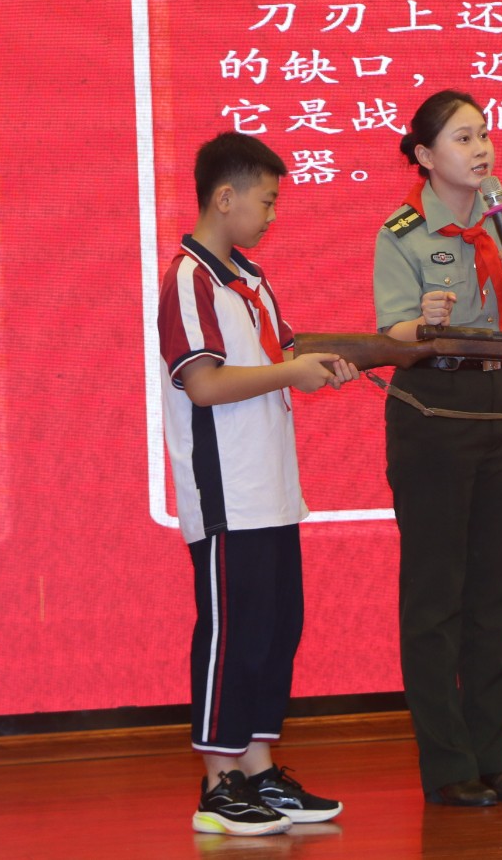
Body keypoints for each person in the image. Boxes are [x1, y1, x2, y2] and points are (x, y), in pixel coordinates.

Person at [157, 132, 357, 836]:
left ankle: (260, 769)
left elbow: (289, 352)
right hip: (227, 497)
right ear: (224, 197)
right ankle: (219, 784)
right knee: (232, 634)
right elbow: (204, 383)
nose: (272, 215)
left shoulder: (249, 278)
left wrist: (372, 348)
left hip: (272, 491)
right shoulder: (190, 280)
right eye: (266, 202)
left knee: (276, 630)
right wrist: (293, 372)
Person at [373, 90, 502, 806]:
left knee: (494, 590)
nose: (481, 149)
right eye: (463, 138)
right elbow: (391, 336)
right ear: (424, 155)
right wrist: (422, 322)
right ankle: (448, 764)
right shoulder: (403, 232)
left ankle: (492, 756)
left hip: (498, 396)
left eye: (484, 134)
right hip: (432, 402)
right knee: (436, 593)